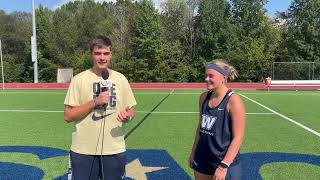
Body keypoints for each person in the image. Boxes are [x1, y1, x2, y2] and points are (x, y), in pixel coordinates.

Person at [64, 36, 137, 180]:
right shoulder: (79, 79)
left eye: (106, 53)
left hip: (114, 149)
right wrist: (94, 102)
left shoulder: (121, 79)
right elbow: (68, 115)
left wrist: (128, 116)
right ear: (91, 54)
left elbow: (131, 110)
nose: (102, 57)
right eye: (98, 53)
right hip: (83, 150)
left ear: (111, 54)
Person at [189, 60, 245, 180]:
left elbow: (238, 137)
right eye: (205, 75)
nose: (206, 79)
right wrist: (193, 152)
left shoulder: (233, 100)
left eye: (211, 76)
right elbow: (201, 127)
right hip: (202, 158)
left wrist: (223, 166)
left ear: (223, 77)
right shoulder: (203, 97)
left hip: (224, 162)